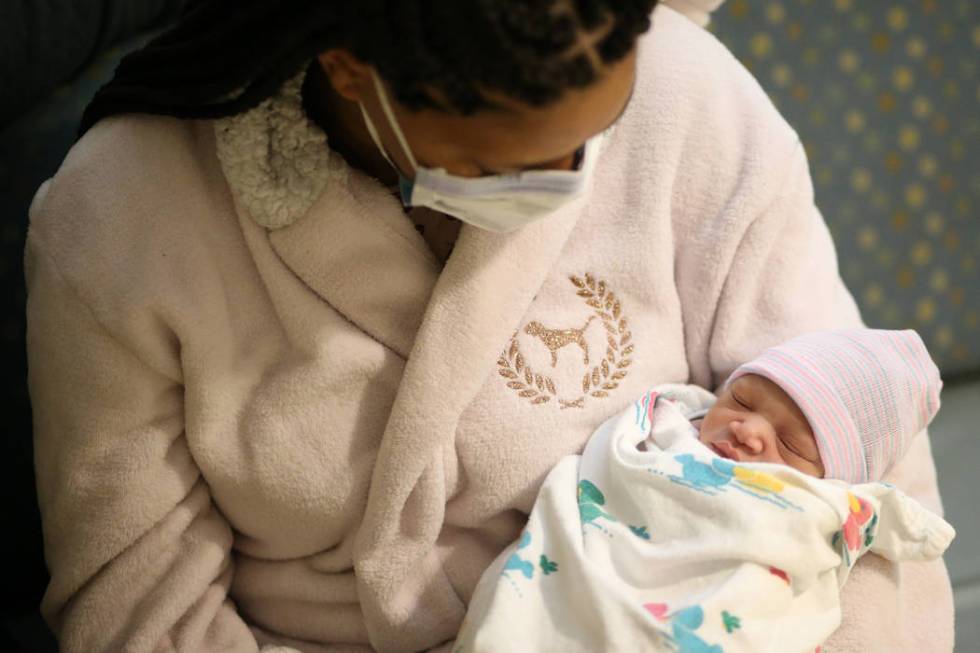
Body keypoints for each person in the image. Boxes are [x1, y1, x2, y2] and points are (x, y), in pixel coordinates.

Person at [23, 1, 952, 651]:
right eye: (516, 161)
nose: (576, 178)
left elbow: (863, 474)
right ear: (350, 65)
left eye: (597, 134)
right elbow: (140, 610)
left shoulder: (691, 97)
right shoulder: (122, 214)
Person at [454, 328, 954, 652]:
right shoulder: (662, 428)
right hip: (585, 582)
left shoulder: (827, 505)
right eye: (741, 400)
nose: (748, 430)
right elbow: (603, 473)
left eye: (788, 442)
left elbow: (894, 520)